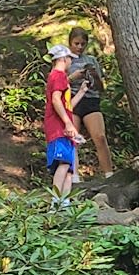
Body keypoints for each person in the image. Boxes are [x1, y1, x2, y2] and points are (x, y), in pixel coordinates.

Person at [68, 24, 114, 177]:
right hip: (73, 101)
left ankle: (109, 174)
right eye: (76, 44)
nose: (79, 47)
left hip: (91, 100)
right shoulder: (66, 61)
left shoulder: (92, 60)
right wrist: (73, 77)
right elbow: (56, 85)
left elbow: (101, 87)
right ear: (70, 43)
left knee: (99, 136)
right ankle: (74, 175)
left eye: (83, 44)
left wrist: (94, 76)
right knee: (72, 139)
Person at [44, 44, 85, 212]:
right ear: (63, 59)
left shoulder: (58, 78)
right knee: (63, 163)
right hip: (58, 128)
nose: (70, 63)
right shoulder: (59, 76)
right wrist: (68, 123)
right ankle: (55, 200)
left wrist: (81, 92)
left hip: (63, 128)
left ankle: (64, 202)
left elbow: (67, 106)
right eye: (69, 59)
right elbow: (55, 100)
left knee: (68, 167)